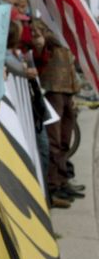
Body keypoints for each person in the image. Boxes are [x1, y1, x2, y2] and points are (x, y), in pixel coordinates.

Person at [32, 20, 84, 207]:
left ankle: (62, 180)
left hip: (67, 90)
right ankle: (53, 185)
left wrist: (74, 91)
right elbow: (41, 47)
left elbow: (70, 65)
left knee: (64, 141)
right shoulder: (44, 25)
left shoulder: (62, 27)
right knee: (54, 141)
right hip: (52, 89)